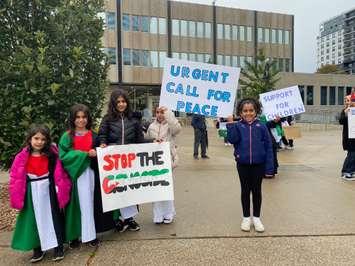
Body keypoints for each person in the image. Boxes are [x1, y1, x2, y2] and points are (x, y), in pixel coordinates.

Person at [9, 124, 71, 262]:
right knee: (34, 220)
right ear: (30, 139)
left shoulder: (52, 154)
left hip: (48, 190)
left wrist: (60, 188)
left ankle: (58, 247)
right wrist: (17, 195)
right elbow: (16, 177)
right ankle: (37, 248)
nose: (39, 142)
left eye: (43, 139)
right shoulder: (21, 156)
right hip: (32, 192)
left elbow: (59, 172)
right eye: (36, 138)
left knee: (53, 217)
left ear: (47, 140)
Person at [98, 89, 149, 232]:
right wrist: (102, 143)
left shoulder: (134, 119)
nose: (121, 104)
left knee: (130, 190)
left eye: (123, 101)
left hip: (130, 162)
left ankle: (130, 218)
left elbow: (140, 140)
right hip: (113, 162)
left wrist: (154, 142)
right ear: (113, 103)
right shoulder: (107, 119)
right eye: (118, 102)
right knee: (116, 190)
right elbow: (102, 135)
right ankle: (118, 219)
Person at [226, 98, 274, 233]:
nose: (248, 113)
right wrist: (230, 123)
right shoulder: (238, 126)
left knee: (257, 191)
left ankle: (257, 218)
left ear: (256, 111)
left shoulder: (262, 126)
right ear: (240, 112)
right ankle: (246, 218)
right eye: (245, 111)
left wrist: (270, 168)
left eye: (251, 110)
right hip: (243, 165)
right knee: (245, 191)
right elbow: (232, 139)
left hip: (259, 165)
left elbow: (269, 147)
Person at [59, 104, 102, 248]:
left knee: (89, 204)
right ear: (73, 119)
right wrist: (84, 154)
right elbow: (63, 156)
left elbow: (100, 150)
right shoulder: (67, 136)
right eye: (78, 117)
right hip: (74, 175)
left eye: (84, 117)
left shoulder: (93, 135)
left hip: (90, 174)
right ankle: (74, 236)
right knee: (74, 206)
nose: (81, 120)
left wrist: (99, 150)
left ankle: (90, 235)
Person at [146, 106, 181, 224]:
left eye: (162, 112)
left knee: (166, 187)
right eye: (157, 112)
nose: (160, 114)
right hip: (154, 161)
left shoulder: (171, 126)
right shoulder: (151, 126)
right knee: (156, 188)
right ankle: (158, 214)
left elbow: (177, 129)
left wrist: (169, 115)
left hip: (167, 159)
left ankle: (168, 213)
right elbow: (146, 140)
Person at [339, 94, 355, 180]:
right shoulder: (345, 111)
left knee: (351, 154)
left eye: (349, 100)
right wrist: (345, 114)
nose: (348, 102)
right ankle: (347, 172)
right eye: (347, 101)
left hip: (354, 137)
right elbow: (341, 121)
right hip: (349, 137)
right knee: (352, 154)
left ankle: (349, 171)